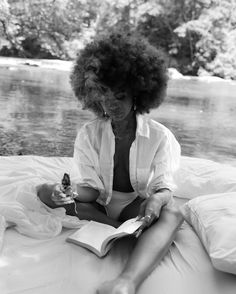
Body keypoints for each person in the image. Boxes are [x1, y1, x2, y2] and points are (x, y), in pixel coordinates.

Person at [37, 33, 183, 294]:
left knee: (173, 212)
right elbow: (92, 189)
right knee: (46, 191)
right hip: (97, 205)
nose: (111, 104)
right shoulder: (89, 133)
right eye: (104, 94)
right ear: (93, 94)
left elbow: (164, 185)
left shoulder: (160, 137)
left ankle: (125, 282)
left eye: (120, 95)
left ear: (138, 94)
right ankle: (116, 228)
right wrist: (67, 192)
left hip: (134, 206)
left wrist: (157, 200)